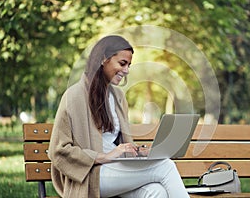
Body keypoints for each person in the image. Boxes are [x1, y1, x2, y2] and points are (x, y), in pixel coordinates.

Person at [48, 35, 190, 198]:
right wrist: (103, 157)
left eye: (129, 65)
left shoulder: (118, 97)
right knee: (165, 166)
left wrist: (139, 152)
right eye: (122, 63)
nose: (126, 70)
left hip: (118, 170)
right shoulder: (74, 96)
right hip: (92, 175)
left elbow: (118, 143)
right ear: (103, 59)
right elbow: (58, 151)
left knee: (156, 192)